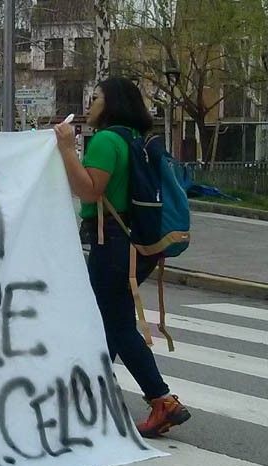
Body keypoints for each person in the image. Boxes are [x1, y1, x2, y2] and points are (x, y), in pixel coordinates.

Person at [54, 77, 191, 438]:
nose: (89, 102)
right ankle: (92, 394)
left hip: (112, 244)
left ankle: (162, 399)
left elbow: (88, 189)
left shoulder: (106, 140)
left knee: (115, 325)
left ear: (112, 102)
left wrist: (67, 149)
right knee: (107, 319)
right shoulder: (135, 139)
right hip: (137, 244)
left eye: (95, 97)